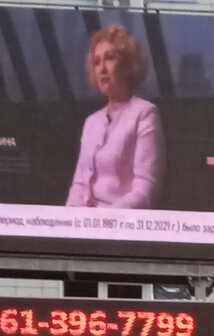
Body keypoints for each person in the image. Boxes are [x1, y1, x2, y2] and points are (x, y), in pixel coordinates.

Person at [65, 25, 167, 210]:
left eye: (110, 58)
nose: (102, 69)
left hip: (121, 223)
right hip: (83, 224)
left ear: (127, 64)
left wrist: (103, 221)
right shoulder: (91, 122)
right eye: (97, 62)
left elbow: (144, 193)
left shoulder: (145, 114)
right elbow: (79, 185)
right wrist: (67, 220)